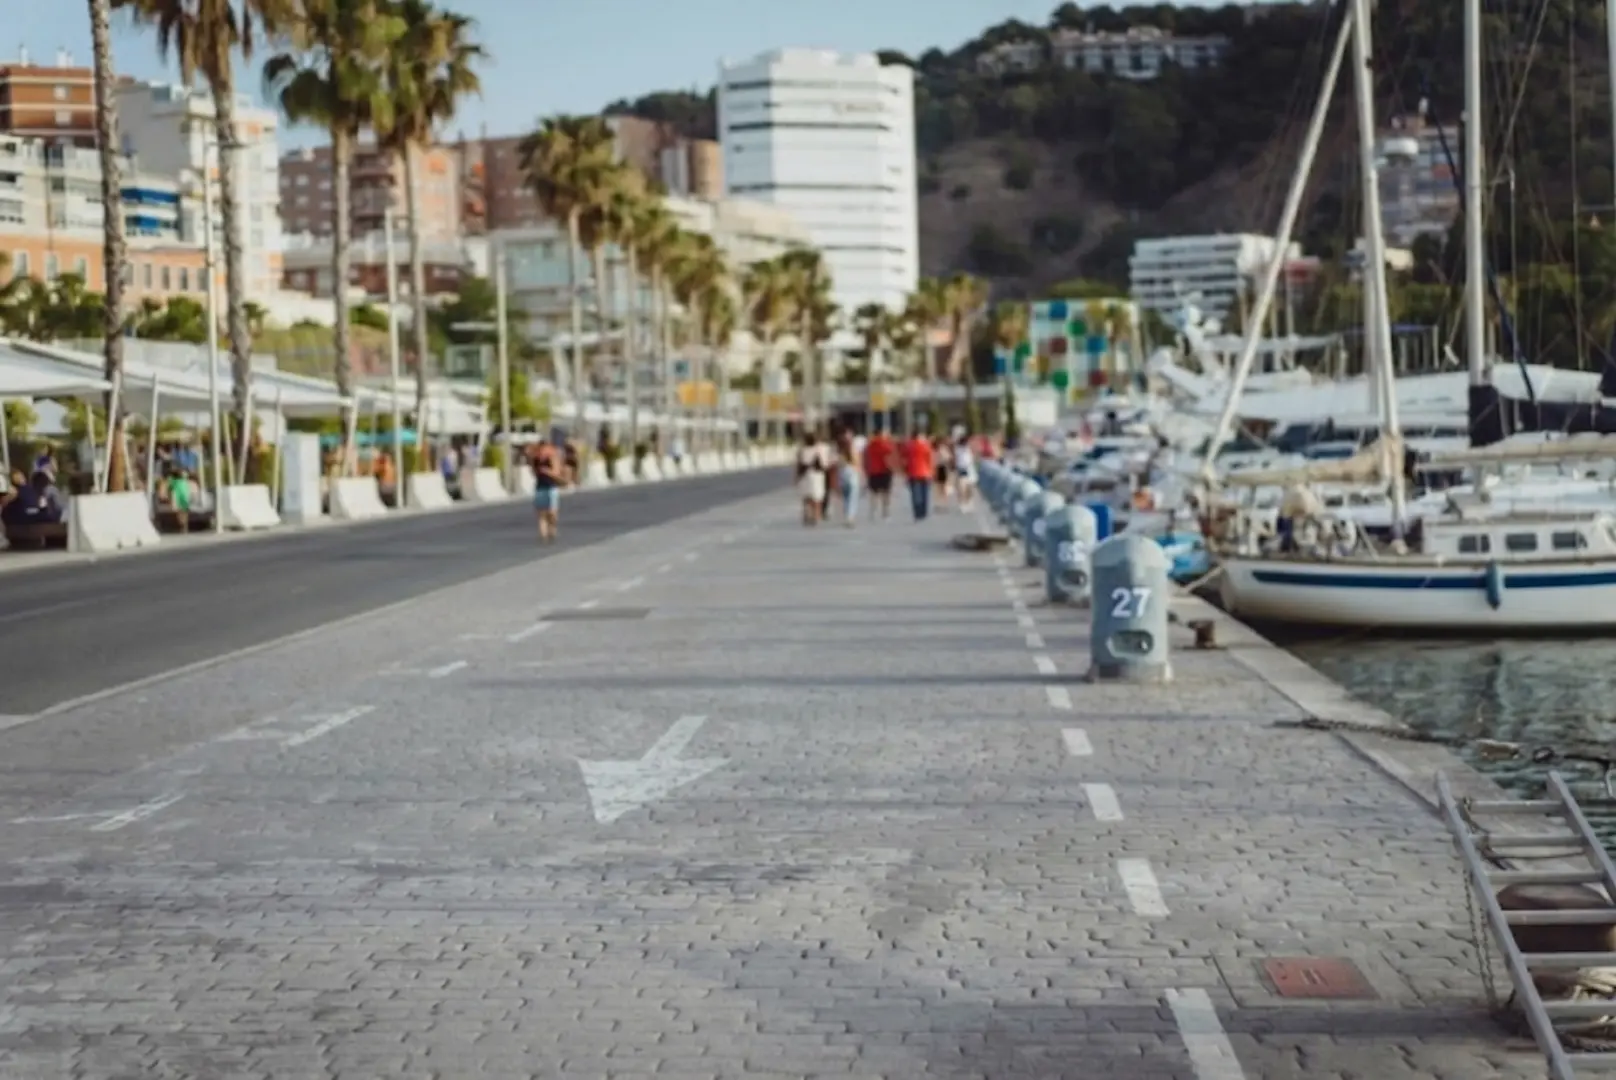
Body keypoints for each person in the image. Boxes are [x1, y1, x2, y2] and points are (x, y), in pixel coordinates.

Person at [529, 435, 565, 542]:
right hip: (540, 487)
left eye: (544, 447)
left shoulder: (552, 458)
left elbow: (557, 473)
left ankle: (552, 529)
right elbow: (534, 472)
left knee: (552, 513)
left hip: (551, 487)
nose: (542, 450)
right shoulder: (536, 459)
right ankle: (543, 536)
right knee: (542, 514)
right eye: (540, 448)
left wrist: (547, 471)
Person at [862, 424, 897, 520]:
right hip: (885, 470)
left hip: (873, 471)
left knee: (874, 493)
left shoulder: (869, 446)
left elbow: (865, 459)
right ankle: (885, 512)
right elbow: (892, 454)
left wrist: (866, 470)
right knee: (886, 492)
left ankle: (873, 511)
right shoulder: (885, 444)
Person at [795, 430, 828, 526]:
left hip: (805, 476)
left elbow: (798, 465)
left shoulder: (802, 451)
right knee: (816, 497)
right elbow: (824, 465)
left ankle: (807, 514)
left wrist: (796, 478)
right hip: (817, 475)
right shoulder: (819, 450)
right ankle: (815, 516)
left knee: (806, 497)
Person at [903, 431, 934, 521]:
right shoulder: (926, 445)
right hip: (925, 472)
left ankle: (917, 513)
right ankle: (924, 512)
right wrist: (931, 471)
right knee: (925, 494)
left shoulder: (908, 446)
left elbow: (904, 460)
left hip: (913, 473)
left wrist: (905, 472)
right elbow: (929, 459)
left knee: (915, 495)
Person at [835, 430, 861, 527]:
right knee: (853, 497)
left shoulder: (839, 451)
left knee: (846, 497)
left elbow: (838, 464)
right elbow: (857, 462)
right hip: (852, 473)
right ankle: (850, 517)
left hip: (842, 474)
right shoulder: (853, 449)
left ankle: (847, 516)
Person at [953, 433, 977, 511]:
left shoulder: (968, 449)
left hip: (969, 469)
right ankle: (962, 503)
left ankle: (969, 501)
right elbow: (955, 459)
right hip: (961, 469)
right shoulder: (957, 449)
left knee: (969, 487)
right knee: (962, 488)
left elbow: (973, 458)